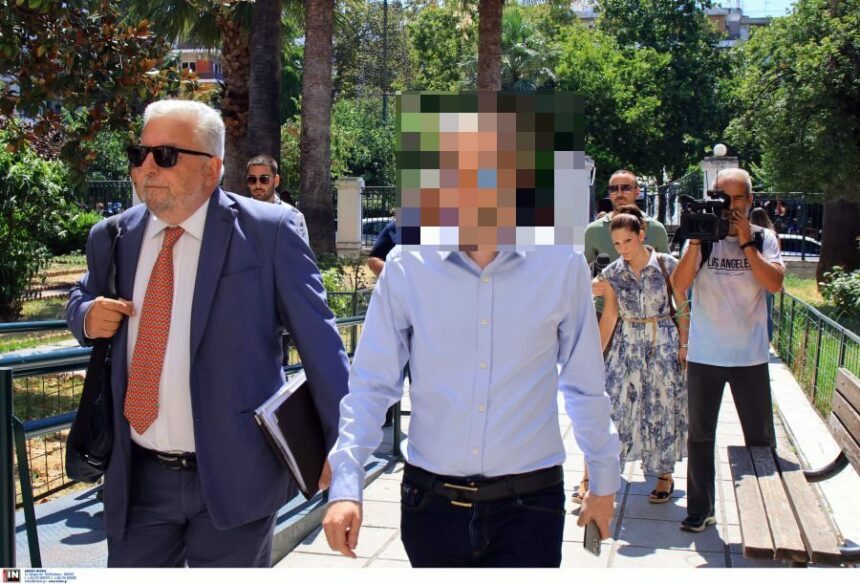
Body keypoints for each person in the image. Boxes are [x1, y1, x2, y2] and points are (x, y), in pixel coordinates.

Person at [66, 99, 349, 567]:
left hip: (237, 476)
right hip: (138, 480)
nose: (147, 167)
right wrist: (84, 315)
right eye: (140, 154)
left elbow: (322, 346)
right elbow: (80, 296)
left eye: (166, 155)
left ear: (212, 168)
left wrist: (343, 452)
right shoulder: (112, 237)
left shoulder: (270, 232)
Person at [321, 245, 621, 567]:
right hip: (431, 505)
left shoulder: (561, 262)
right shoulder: (407, 262)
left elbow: (585, 384)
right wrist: (346, 481)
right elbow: (371, 384)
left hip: (530, 507)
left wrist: (603, 480)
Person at [671, 168, 785, 533]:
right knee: (700, 436)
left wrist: (747, 242)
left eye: (738, 199)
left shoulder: (764, 238)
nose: (731, 207)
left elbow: (774, 284)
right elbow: (679, 285)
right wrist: (695, 240)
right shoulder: (703, 237)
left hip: (749, 356)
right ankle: (700, 509)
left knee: (760, 440)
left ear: (750, 201)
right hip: (706, 354)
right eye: (723, 198)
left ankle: (770, 512)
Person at [596, 205, 689, 505]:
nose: (623, 248)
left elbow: (682, 305)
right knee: (617, 405)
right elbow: (610, 315)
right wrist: (594, 355)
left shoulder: (667, 264)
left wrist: (685, 343)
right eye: (617, 244)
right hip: (627, 344)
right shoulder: (613, 273)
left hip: (662, 341)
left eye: (628, 240)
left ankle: (664, 474)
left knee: (662, 405)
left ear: (641, 235)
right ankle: (609, 470)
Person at [584, 170, 670, 265]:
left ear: (637, 191)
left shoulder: (656, 229)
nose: (619, 194)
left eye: (626, 188)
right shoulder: (594, 230)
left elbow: (668, 269)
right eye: (613, 189)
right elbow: (580, 268)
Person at [246, 154, 309, 245]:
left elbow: (301, 252)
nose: (258, 185)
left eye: (264, 179)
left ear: (276, 181)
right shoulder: (239, 214)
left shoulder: (293, 216)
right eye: (252, 179)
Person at [750, 207, 780, 342]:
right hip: (768, 274)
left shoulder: (749, 234)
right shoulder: (773, 235)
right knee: (767, 310)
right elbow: (777, 258)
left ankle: (753, 338)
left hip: (753, 274)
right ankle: (767, 339)